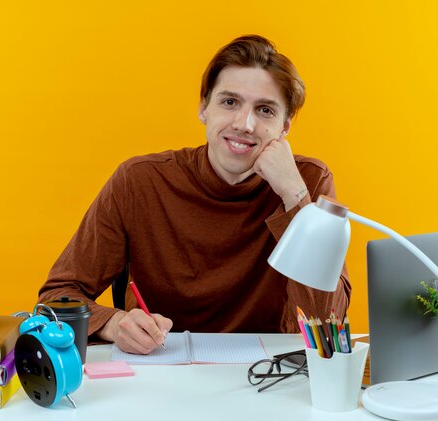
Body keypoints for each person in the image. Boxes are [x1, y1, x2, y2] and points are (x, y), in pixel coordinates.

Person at [38, 35, 352, 355]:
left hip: (267, 373)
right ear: (204, 107)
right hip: (159, 368)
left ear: (285, 126)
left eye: (265, 110)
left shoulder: (308, 182)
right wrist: (112, 323)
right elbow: (57, 298)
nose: (245, 124)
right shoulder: (140, 181)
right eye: (229, 102)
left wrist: (295, 199)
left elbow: (328, 323)